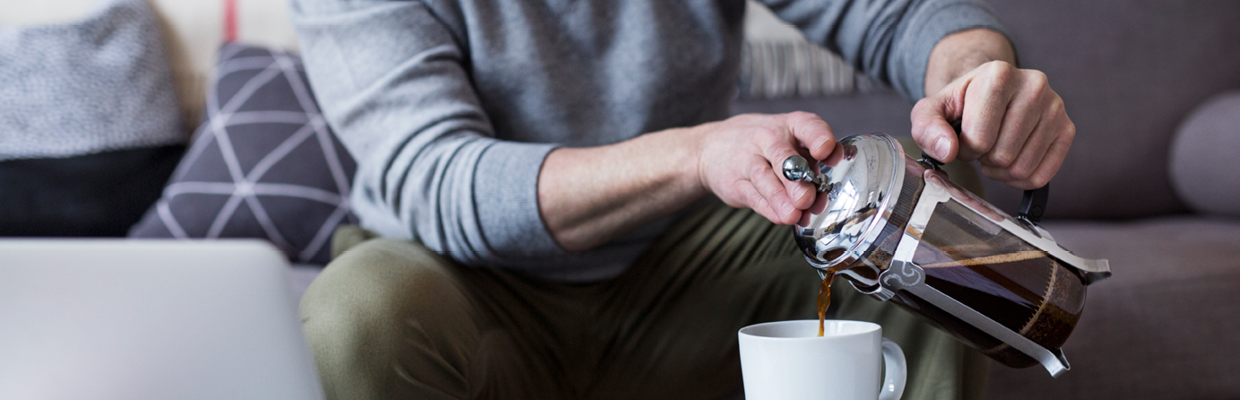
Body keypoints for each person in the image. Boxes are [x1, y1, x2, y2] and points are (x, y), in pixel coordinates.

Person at [287, 0, 1075, 399]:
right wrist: (696, 154)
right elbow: (440, 178)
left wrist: (975, 73)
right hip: (464, 286)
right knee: (361, 312)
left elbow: (898, 13)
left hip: (689, 272)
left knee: (920, 213)